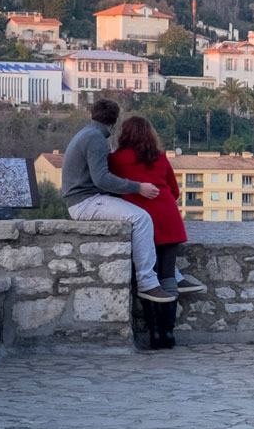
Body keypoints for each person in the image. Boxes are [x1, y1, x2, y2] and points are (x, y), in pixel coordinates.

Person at [63, 97, 174, 304]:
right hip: (85, 202)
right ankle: (148, 282)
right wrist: (138, 187)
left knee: (139, 216)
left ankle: (164, 275)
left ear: (92, 115)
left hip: (82, 199)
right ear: (114, 122)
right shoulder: (96, 138)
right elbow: (102, 179)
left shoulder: (87, 134)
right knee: (142, 218)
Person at [107, 116, 190, 349]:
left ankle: (154, 333)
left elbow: (109, 186)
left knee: (147, 278)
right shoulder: (161, 157)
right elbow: (174, 190)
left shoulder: (116, 159)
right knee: (167, 276)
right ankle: (168, 333)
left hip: (141, 222)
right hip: (168, 219)